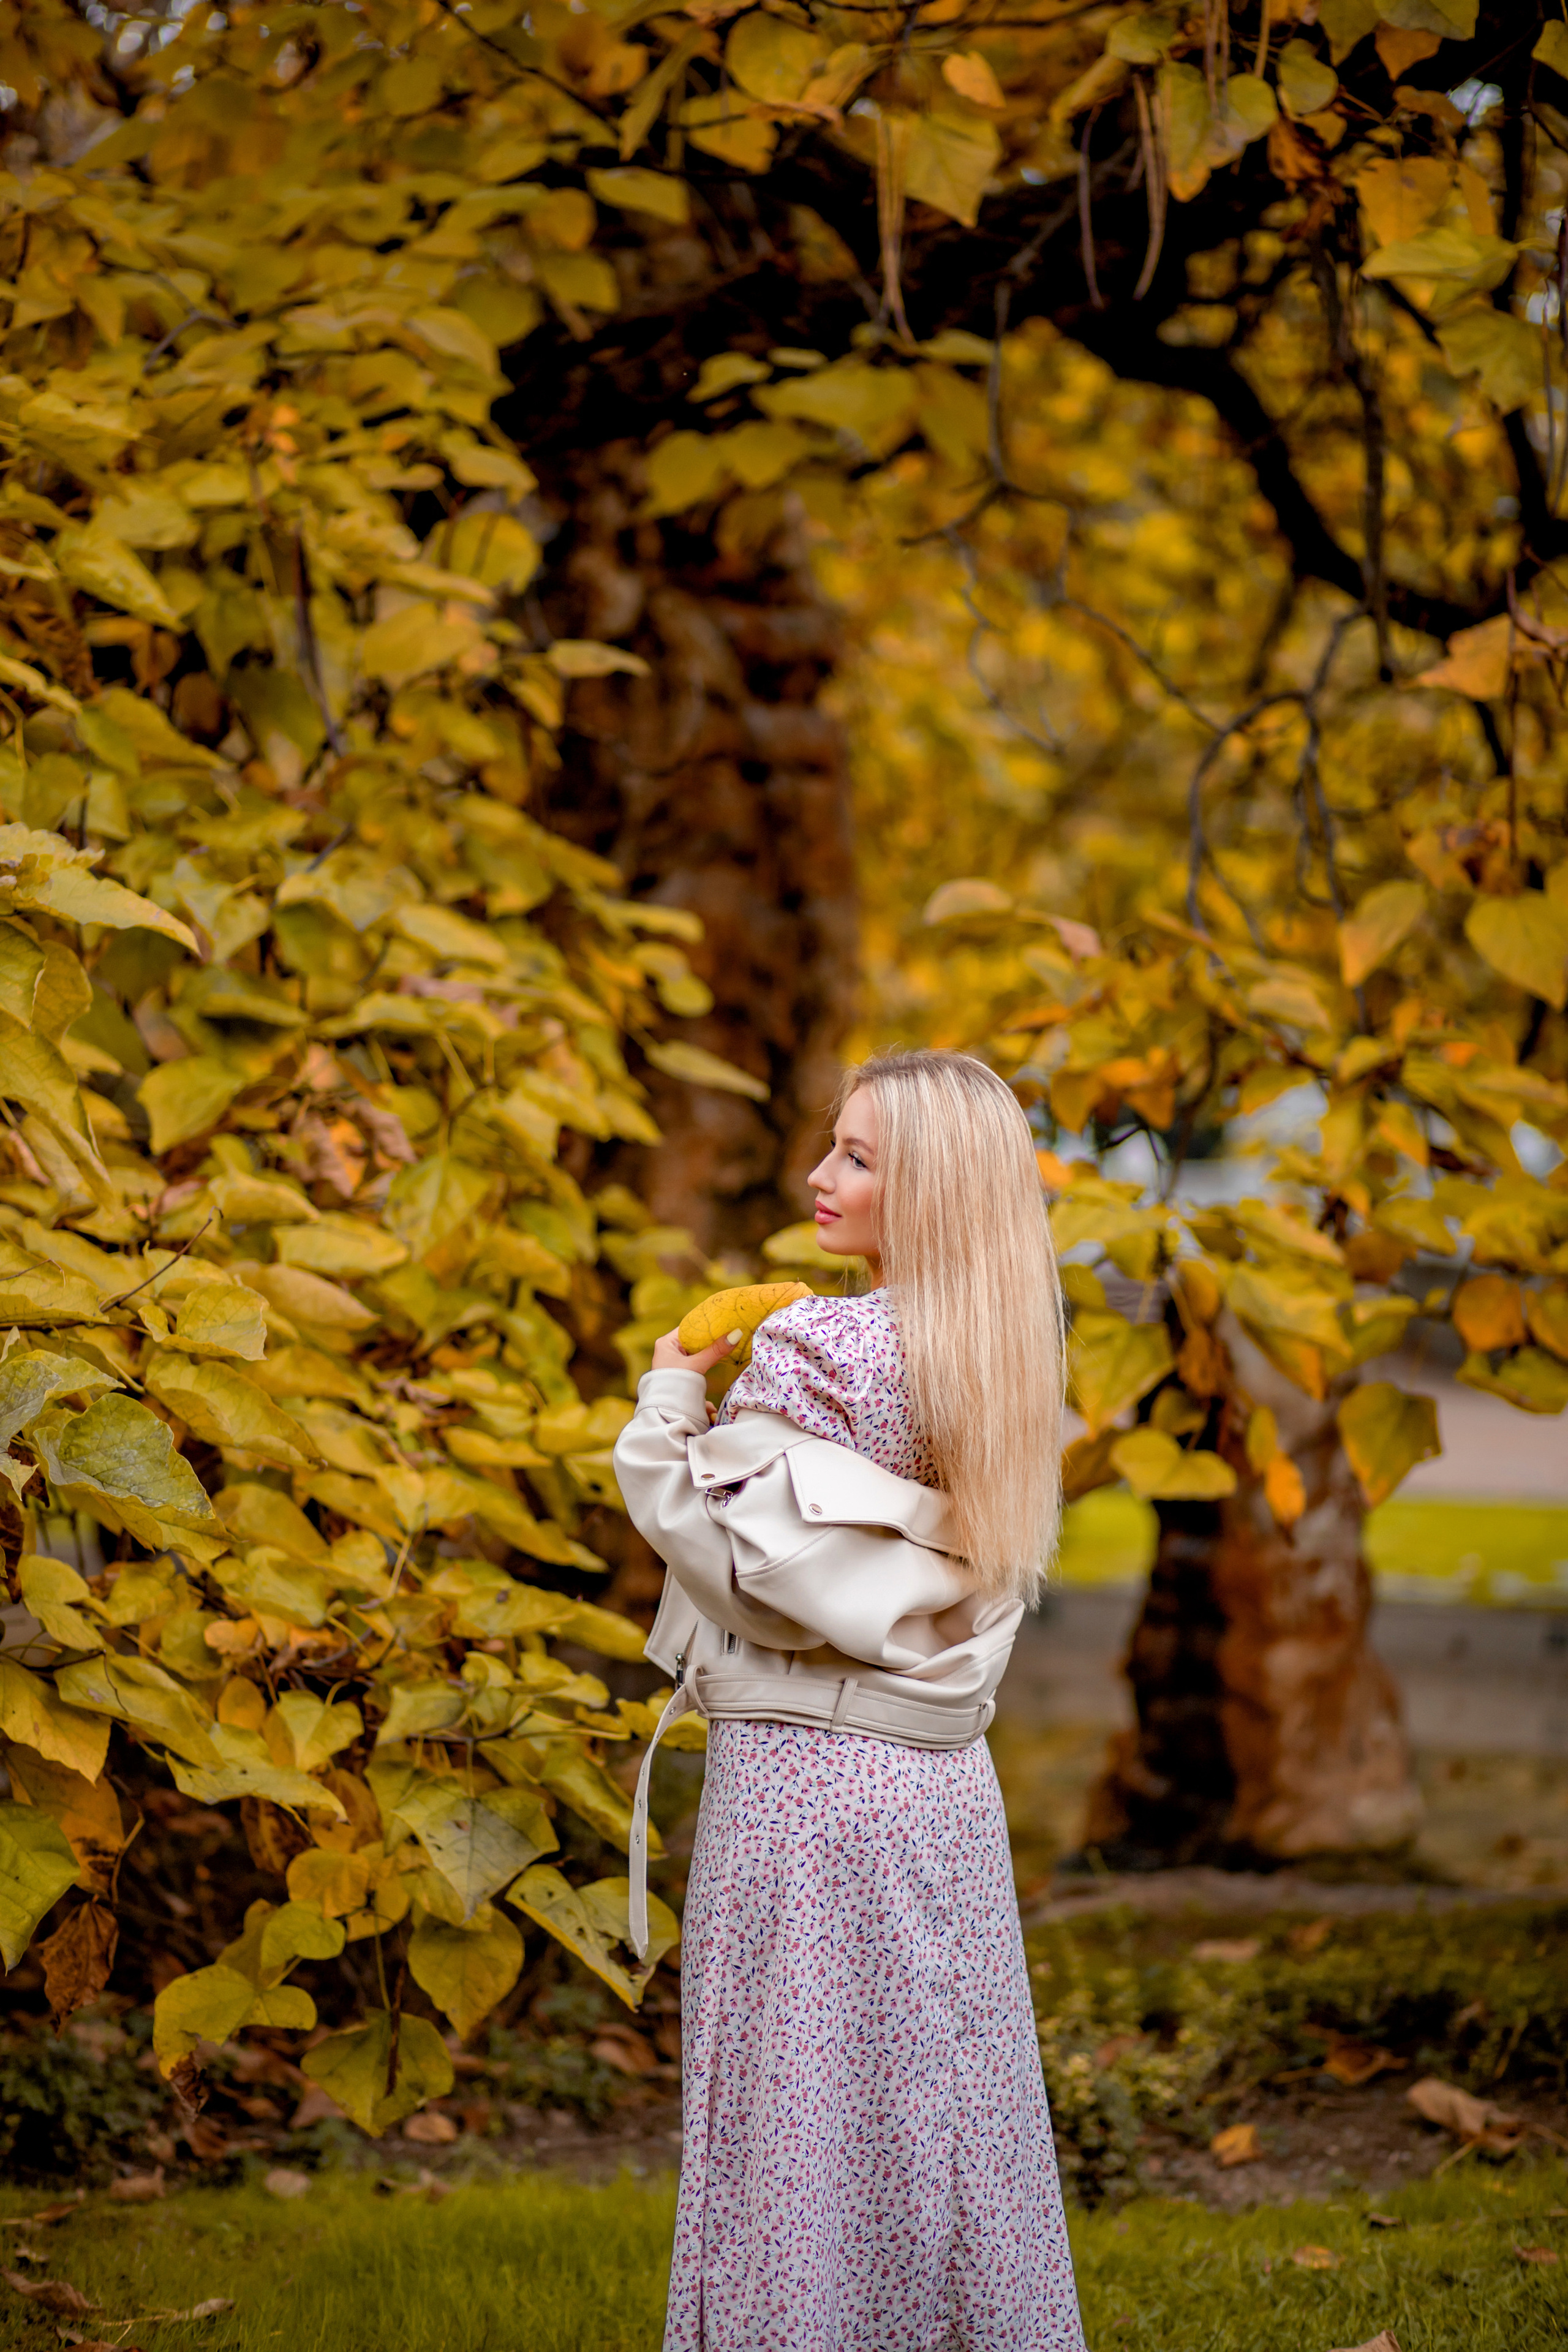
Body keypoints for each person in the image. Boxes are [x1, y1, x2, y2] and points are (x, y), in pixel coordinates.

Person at [612, 1047, 1087, 2352]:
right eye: (830, 1147)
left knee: (790, 2126)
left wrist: (665, 1398)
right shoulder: (1001, 1353)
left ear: (928, 1190)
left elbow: (726, 1554)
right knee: (947, 2113)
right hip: (937, 1788)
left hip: (808, 1788)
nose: (818, 1178)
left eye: (857, 1158)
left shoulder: (820, 1340)